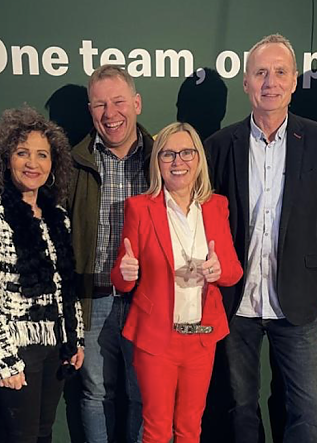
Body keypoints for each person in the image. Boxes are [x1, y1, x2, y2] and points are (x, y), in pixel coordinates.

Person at [205, 34, 317, 442]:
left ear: (292, 83)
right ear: (246, 83)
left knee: (308, 409)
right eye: (261, 73)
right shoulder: (219, 146)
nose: (270, 82)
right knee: (239, 407)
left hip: (300, 299)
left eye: (280, 73)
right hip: (237, 301)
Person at [110, 122, 243, 442]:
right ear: (157, 162)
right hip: (157, 336)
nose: (177, 162)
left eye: (186, 153)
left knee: (190, 428)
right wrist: (125, 273)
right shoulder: (140, 208)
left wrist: (218, 270)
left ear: (198, 160)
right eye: (168, 154)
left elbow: (233, 272)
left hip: (200, 336)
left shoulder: (216, 206)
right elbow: (122, 278)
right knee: (156, 429)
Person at [0, 106, 85, 443]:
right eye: (23, 153)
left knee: (44, 433)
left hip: (55, 345)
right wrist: (4, 360)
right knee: (19, 437)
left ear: (53, 163)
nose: (33, 163)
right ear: (6, 159)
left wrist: (73, 339)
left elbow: (66, 285)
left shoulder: (57, 216)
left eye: (42, 155)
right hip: (17, 350)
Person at [68, 64, 150, 443]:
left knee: (142, 394)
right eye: (100, 105)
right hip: (92, 298)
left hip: (146, 301)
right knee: (96, 393)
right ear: (90, 110)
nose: (110, 113)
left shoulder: (161, 160)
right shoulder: (73, 162)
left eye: (118, 102)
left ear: (137, 104)